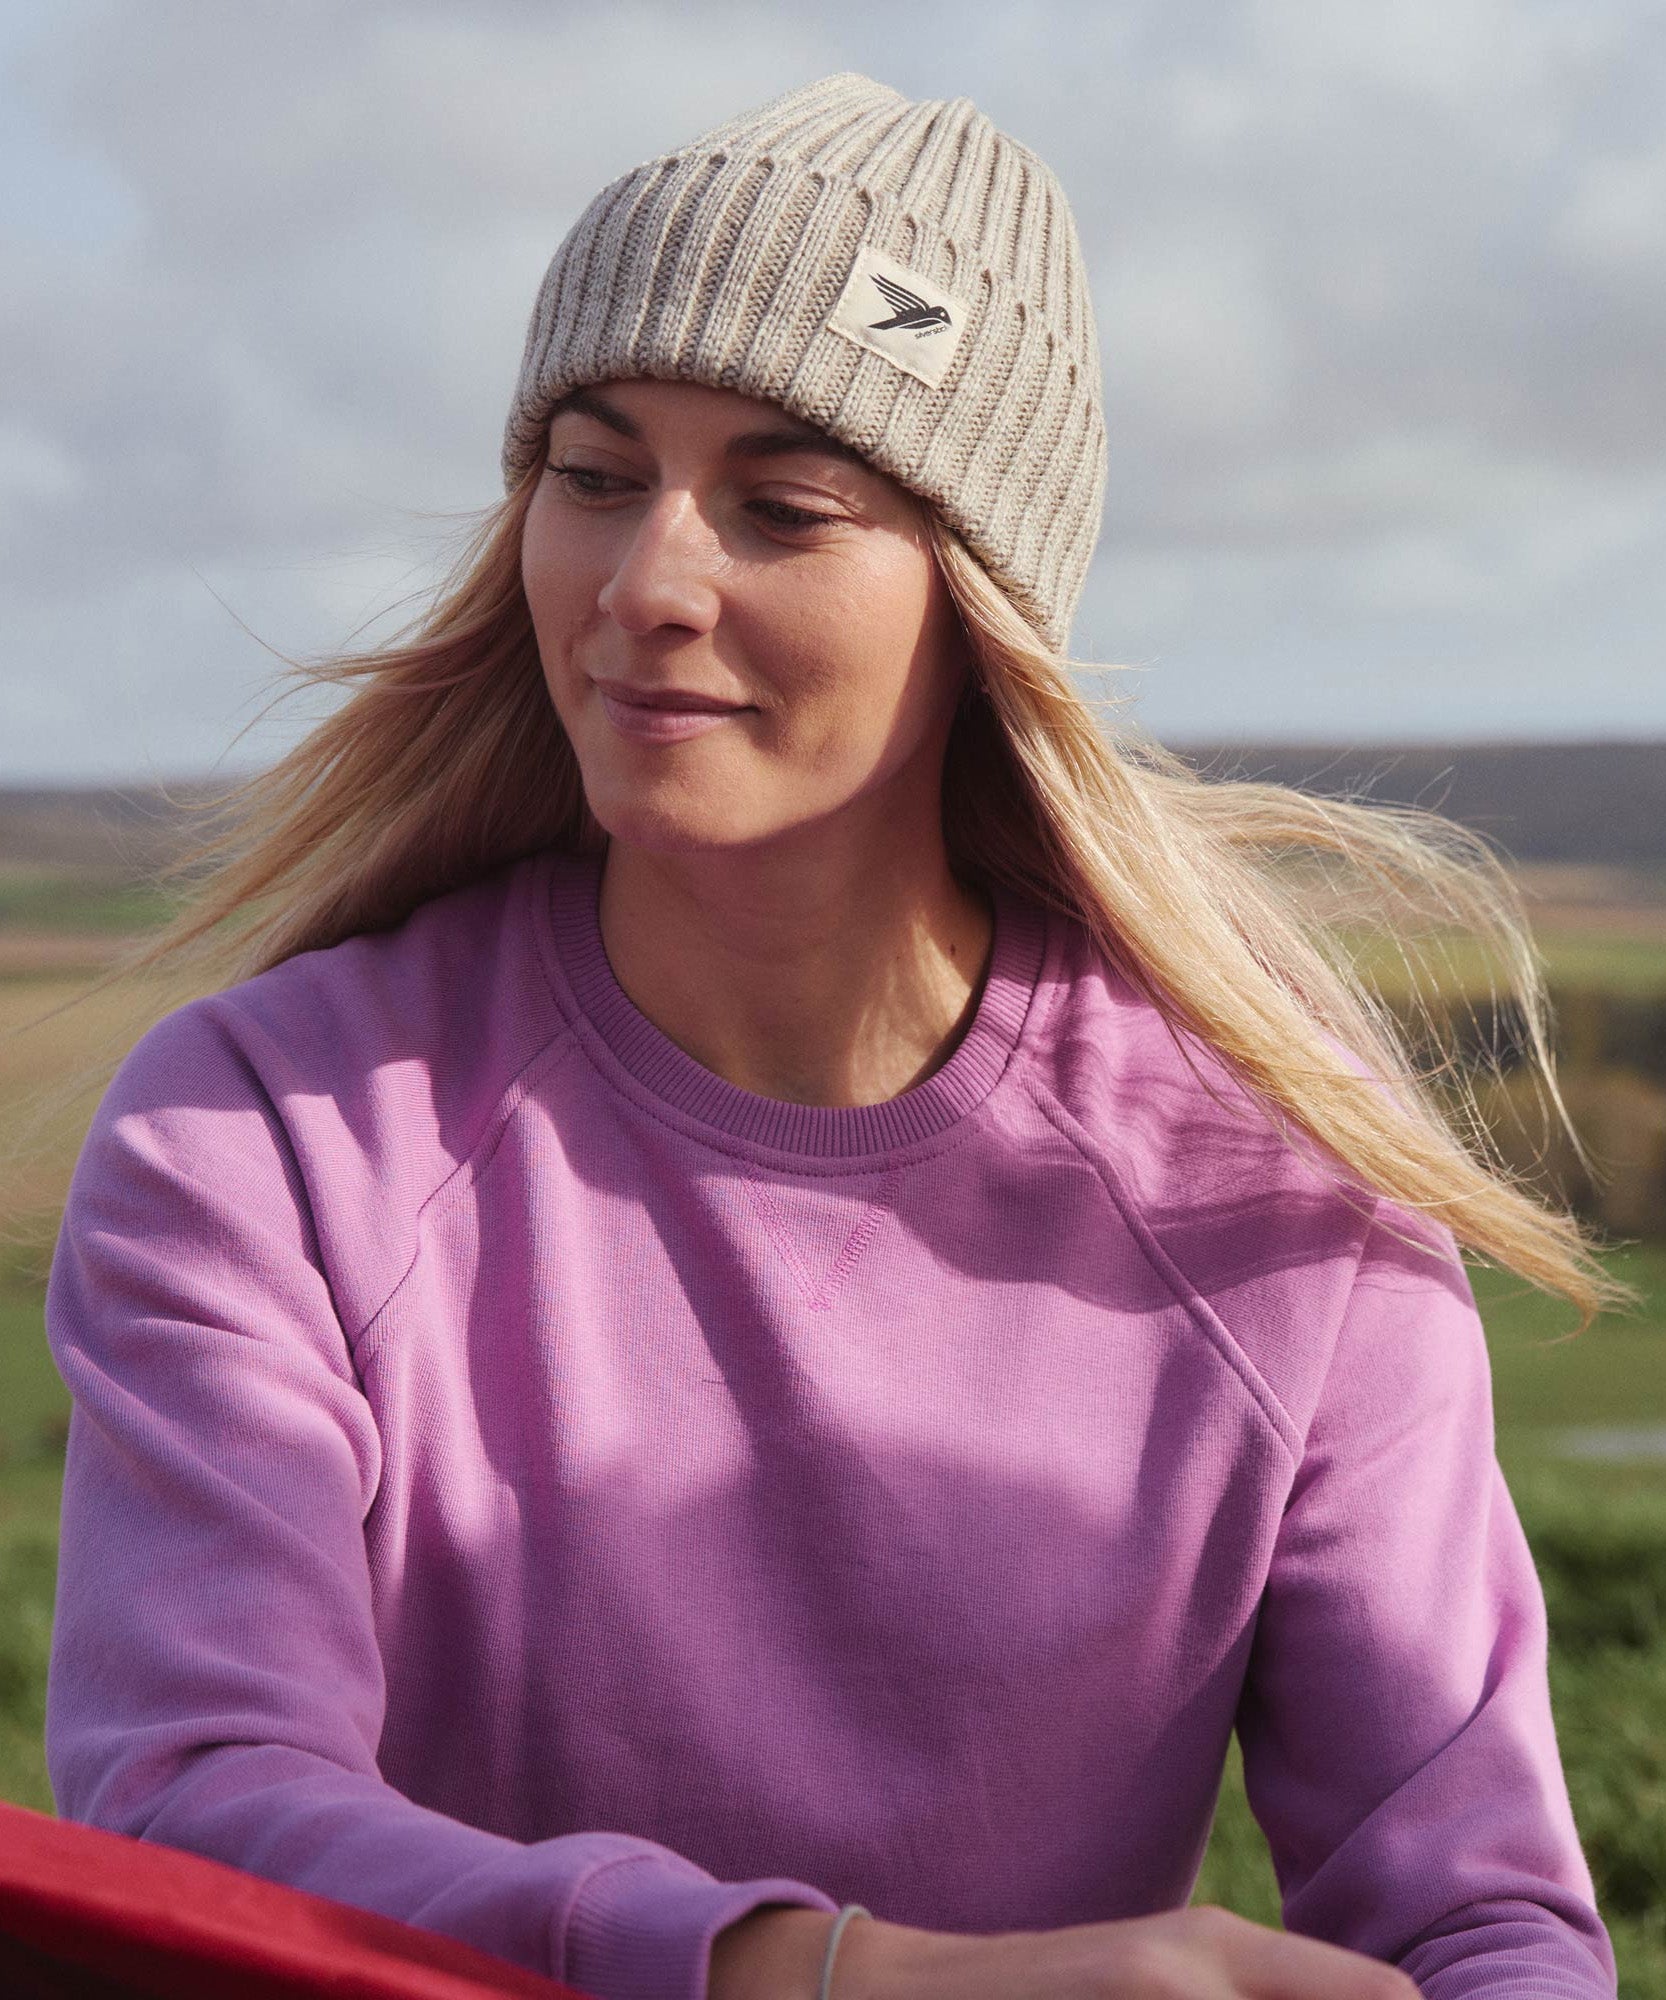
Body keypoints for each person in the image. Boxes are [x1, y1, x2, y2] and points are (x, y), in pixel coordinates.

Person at [42, 70, 1622, 2000]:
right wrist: (823, 1977)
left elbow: (1475, 1924)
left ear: (978, 605)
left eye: (783, 508)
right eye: (593, 475)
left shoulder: (1279, 1191)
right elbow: (190, 1805)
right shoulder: (268, 1135)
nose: (646, 584)